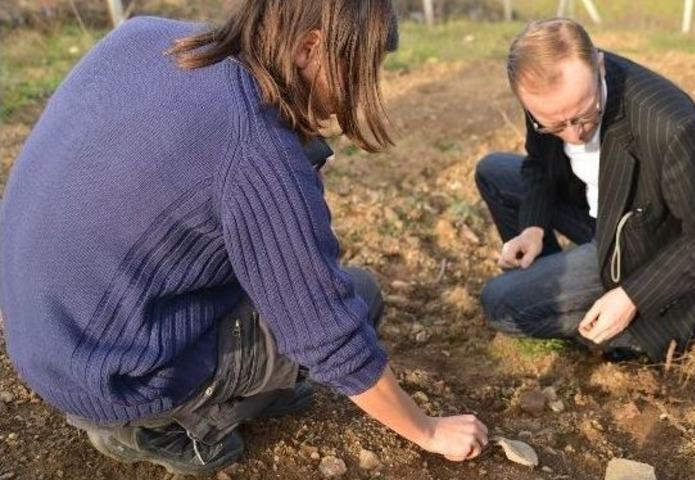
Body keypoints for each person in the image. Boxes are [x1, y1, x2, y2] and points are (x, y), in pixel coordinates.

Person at [0, 1, 487, 475]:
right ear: (309, 48)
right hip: (115, 376)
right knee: (362, 295)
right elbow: (328, 331)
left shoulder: (143, 36)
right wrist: (428, 431)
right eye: (358, 69)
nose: (361, 90)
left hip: (39, 330)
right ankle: (165, 424)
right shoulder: (255, 146)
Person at [476, 18, 695, 363]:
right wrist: (533, 227)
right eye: (554, 125)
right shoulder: (546, 91)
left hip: (646, 250)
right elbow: (539, 165)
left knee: (499, 303)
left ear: (600, 67)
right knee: (493, 172)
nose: (574, 135)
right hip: (604, 217)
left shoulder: (670, 126)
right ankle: (558, 284)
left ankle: (632, 331)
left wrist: (632, 296)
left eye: (583, 115)